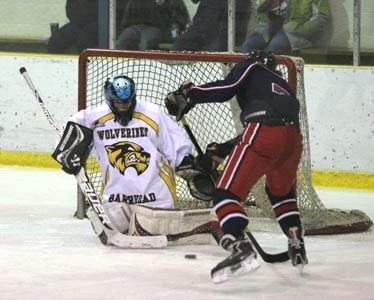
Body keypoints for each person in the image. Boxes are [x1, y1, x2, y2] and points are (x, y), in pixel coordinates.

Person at [164, 50, 308, 283]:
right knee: (280, 193)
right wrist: (223, 148)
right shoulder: (282, 85)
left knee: (225, 193)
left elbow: (226, 89)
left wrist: (189, 93)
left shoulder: (252, 67)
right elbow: (273, 129)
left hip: (263, 132)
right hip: (292, 141)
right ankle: (296, 242)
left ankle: (240, 247)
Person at [52, 75, 202, 237]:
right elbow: (67, 134)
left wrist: (190, 166)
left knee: (161, 242)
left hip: (157, 198)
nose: (123, 107)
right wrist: (66, 152)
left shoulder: (152, 114)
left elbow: (177, 148)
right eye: (118, 103)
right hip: (116, 200)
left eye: (127, 102)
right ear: (109, 100)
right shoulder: (93, 117)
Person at [241, 0, 331, 55]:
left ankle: (263, 83)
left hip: (294, 31)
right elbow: (256, 6)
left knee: (272, 50)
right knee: (247, 47)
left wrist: (302, 30)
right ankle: (245, 82)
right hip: (267, 27)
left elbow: (322, 18)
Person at [171, 0, 251, 52]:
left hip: (223, 31)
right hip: (200, 27)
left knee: (214, 51)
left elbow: (243, 16)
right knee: (177, 47)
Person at [116, 0, 190, 50]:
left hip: (159, 29)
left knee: (145, 43)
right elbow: (127, 19)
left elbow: (181, 21)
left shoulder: (173, 2)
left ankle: (142, 67)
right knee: (122, 40)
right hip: (136, 27)